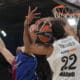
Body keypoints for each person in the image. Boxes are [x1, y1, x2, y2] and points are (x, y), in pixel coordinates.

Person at [0, 6, 53, 80]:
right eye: (30, 28)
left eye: (33, 30)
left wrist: (26, 25)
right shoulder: (16, 61)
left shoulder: (32, 51)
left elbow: (28, 46)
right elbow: (2, 48)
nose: (30, 30)